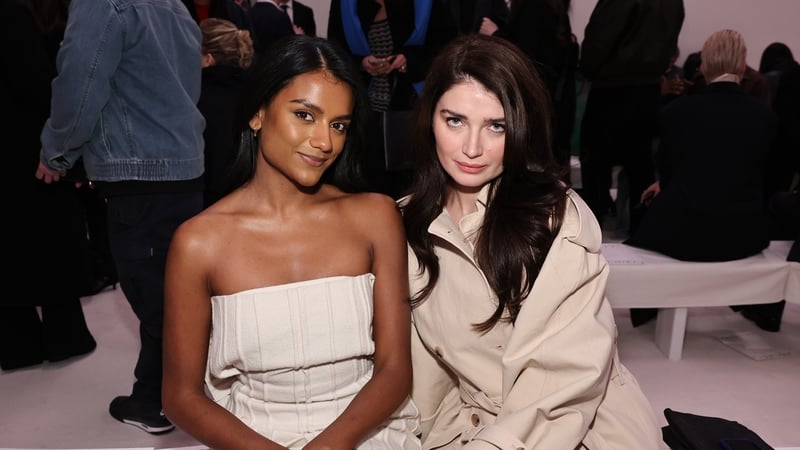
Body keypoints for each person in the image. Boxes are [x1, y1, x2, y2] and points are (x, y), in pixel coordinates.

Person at [401, 33, 662, 449]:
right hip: (474, 423)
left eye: (496, 126)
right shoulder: (408, 222)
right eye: (455, 121)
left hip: (579, 428)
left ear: (520, 128)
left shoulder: (556, 220)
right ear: (429, 118)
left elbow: (563, 380)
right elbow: (425, 369)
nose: (472, 147)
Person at [161, 35, 420, 449]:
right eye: (305, 115)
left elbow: (394, 370)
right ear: (258, 114)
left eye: (339, 125)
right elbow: (181, 397)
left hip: (367, 434)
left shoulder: (376, 217)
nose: (325, 142)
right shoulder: (199, 242)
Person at [36, 0, 205, 434]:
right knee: (176, 295)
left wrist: (58, 153)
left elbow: (80, 84)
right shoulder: (173, 6)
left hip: (140, 173)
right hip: (183, 168)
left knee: (160, 301)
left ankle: (164, 401)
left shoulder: (103, 3)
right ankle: (160, 396)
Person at [624, 29, 778, 328]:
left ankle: (645, 312)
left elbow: (668, 170)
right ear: (743, 64)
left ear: (704, 65)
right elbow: (767, 177)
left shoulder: (677, 111)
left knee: (645, 211)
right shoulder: (765, 117)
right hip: (742, 234)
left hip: (686, 233)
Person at [1, 0, 97, 371]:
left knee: (8, 248)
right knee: (50, 237)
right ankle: (64, 336)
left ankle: (17, 345)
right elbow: (36, 82)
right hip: (26, 147)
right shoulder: (11, 16)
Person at [578, 0, 684, 236]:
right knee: (642, 169)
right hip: (648, 91)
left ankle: (588, 240)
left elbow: (599, 41)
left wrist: (587, 68)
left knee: (596, 168)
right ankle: (643, 234)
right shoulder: (674, 3)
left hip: (611, 89)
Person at [326, 0, 451, 199]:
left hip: (411, 101)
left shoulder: (428, 4)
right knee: (365, 179)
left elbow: (446, 45)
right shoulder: (345, 3)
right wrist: (361, 63)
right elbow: (334, 48)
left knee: (408, 182)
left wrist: (408, 59)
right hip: (362, 104)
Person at [478, 0, 579, 172]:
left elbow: (527, 55)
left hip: (535, 103)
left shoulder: (533, 6)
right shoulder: (553, 6)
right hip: (553, 104)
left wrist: (495, 35)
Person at [199, 17, 255, 207]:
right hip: (247, 191)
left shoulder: (196, 95)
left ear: (208, 59)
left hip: (205, 197)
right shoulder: (254, 93)